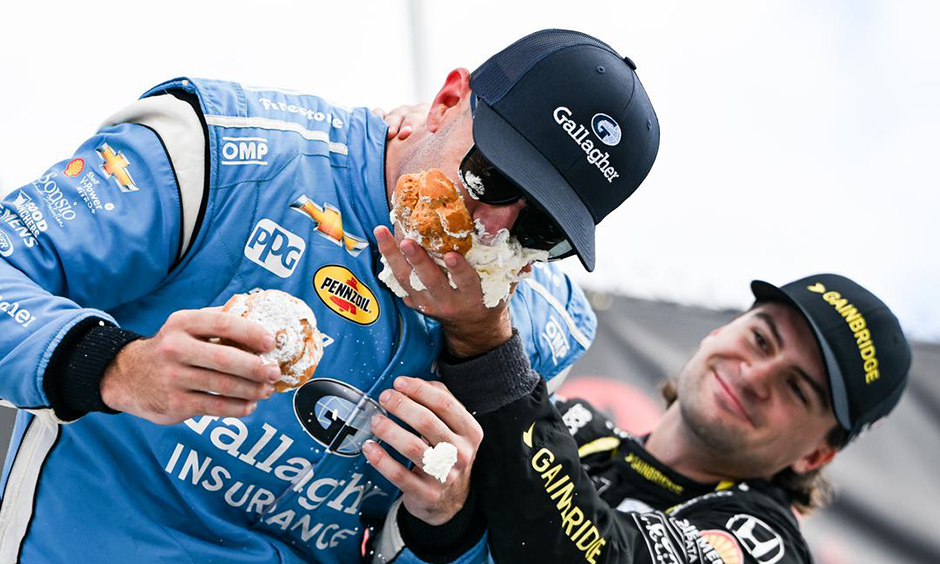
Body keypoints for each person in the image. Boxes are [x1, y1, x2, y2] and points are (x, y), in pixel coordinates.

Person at [0, 29, 658, 563]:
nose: (493, 225)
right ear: (446, 101)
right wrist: (117, 368)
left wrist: (445, 520)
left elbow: (500, 548)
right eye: (490, 175)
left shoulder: (535, 340)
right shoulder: (223, 152)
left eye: (542, 229)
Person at [365, 270, 911, 564]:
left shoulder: (765, 543)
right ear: (719, 332)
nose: (753, 376)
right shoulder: (575, 426)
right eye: (761, 340)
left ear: (816, 454)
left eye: (795, 387)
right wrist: (443, 520)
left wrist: (486, 344)